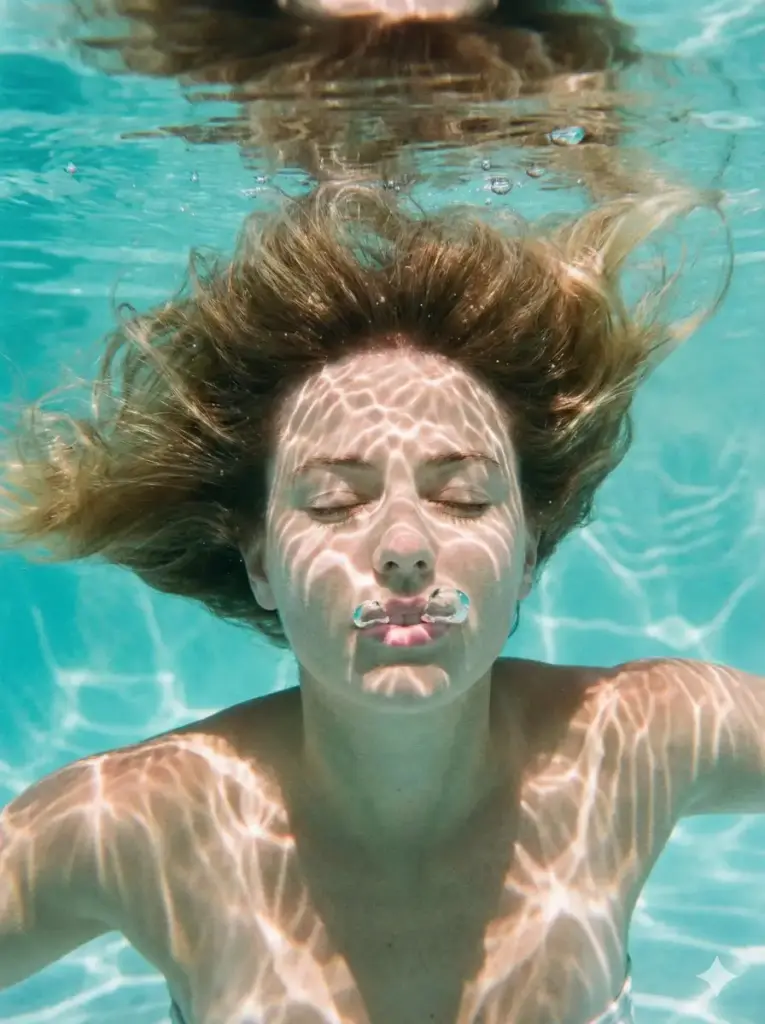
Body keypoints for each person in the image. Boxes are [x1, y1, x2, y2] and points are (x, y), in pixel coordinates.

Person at [0, 182, 759, 1024]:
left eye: (463, 497)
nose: (404, 545)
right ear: (259, 562)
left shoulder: (640, 741)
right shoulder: (138, 824)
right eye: (333, 502)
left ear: (529, 554)